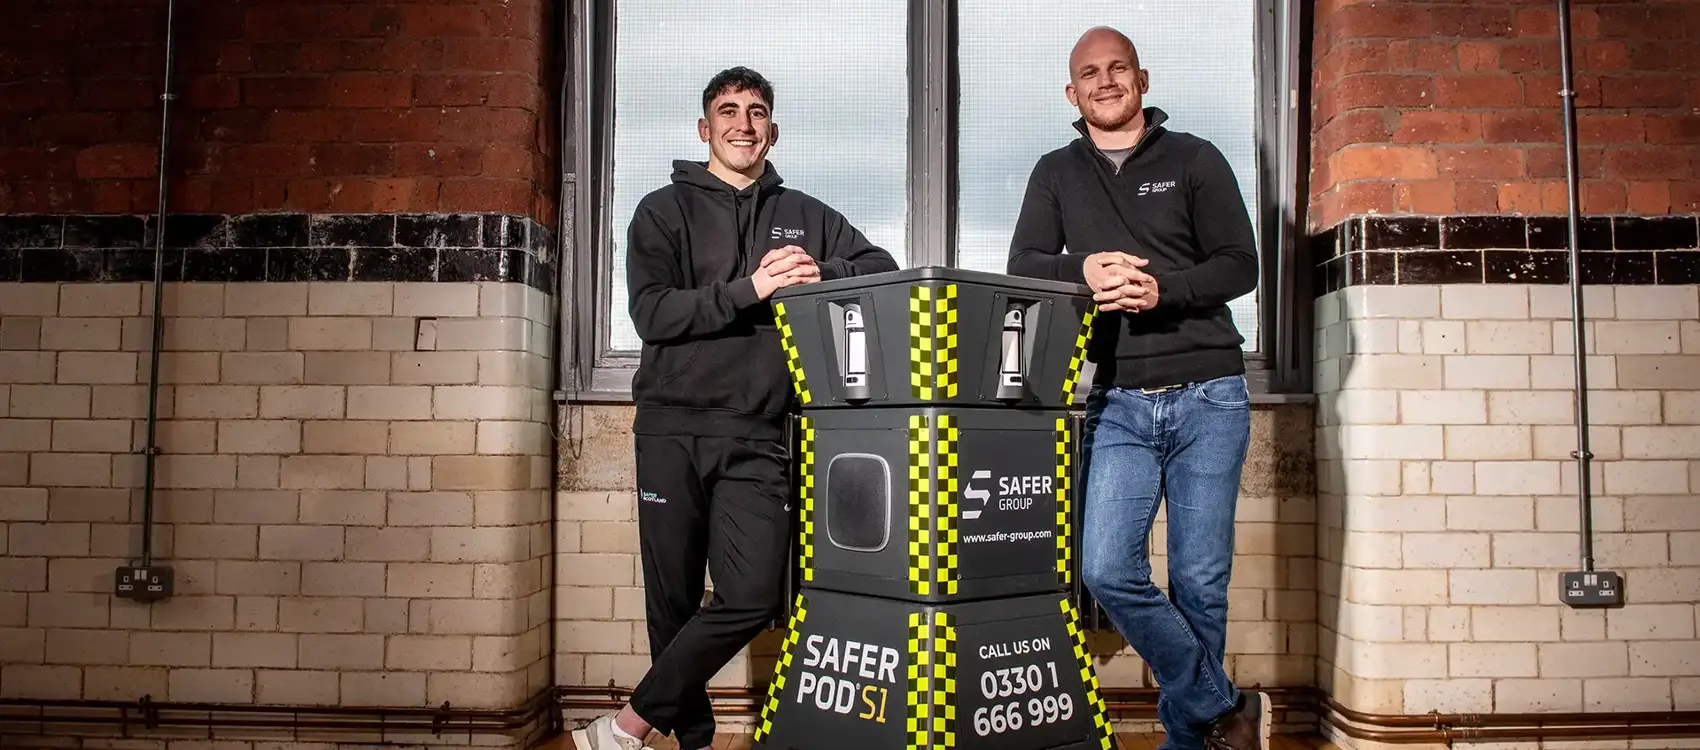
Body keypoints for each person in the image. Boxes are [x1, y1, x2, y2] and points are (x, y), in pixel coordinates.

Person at [573, 66, 899, 750]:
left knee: (754, 594)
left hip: (757, 432)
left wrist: (822, 276)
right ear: (705, 128)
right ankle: (685, 739)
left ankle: (627, 725)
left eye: (756, 112)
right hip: (672, 425)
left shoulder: (806, 215)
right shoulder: (662, 210)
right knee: (673, 602)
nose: (742, 123)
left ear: (771, 130)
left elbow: (881, 266)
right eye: (728, 110)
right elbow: (652, 313)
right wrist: (750, 288)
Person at [1005, 26, 1268, 750]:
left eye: (1117, 68)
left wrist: (1166, 290)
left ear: (1142, 80)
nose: (1105, 81)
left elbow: (1240, 263)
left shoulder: (1195, 159)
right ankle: (1224, 705)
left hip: (1210, 393)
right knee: (1106, 569)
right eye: (1089, 73)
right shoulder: (1055, 173)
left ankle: (1191, 742)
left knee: (1200, 583)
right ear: (1073, 92)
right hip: (1117, 398)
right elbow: (1024, 263)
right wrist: (1083, 271)